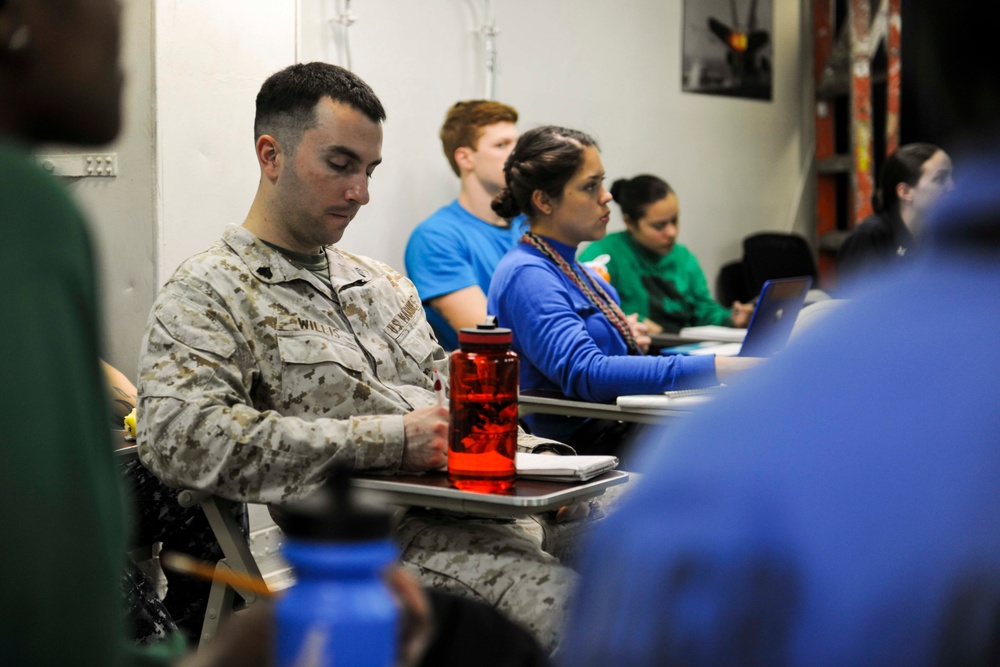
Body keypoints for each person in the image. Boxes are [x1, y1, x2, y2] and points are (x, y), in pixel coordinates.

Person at [561, 2, 1000, 662]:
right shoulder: (579, 265)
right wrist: (706, 360)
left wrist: (727, 323)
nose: (673, 236)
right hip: (645, 389)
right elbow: (594, 367)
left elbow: (698, 304)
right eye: (592, 188)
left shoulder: (713, 477)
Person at [137, 63, 578, 653]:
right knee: (581, 613)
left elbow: (453, 395)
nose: (361, 192)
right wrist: (391, 439)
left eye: (369, 171)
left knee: (687, 551)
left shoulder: (382, 284)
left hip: (506, 502)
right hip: (390, 543)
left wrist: (555, 467)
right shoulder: (211, 289)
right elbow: (177, 438)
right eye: (340, 165)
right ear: (271, 155)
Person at [0, 0, 187, 663]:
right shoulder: (25, 209)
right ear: (15, 22)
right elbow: (49, 607)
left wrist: (139, 407)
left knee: (182, 485)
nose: (124, 48)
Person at [487, 126, 758, 453]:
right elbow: (585, 372)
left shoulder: (576, 269)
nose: (606, 196)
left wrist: (622, 334)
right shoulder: (528, 273)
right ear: (544, 200)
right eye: (590, 186)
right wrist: (718, 367)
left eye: (601, 182)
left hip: (622, 422)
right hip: (587, 443)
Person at [405, 100, 525, 349]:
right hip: (505, 383)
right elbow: (492, 340)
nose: (518, 155)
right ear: (465, 158)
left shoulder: (530, 224)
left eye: (518, 144)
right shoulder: (436, 237)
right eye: (502, 145)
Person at [579, 174, 753, 334]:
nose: (671, 232)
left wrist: (731, 319)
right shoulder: (604, 256)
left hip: (684, 352)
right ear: (629, 222)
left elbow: (704, 311)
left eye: (674, 220)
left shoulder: (684, 258)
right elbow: (588, 310)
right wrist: (631, 322)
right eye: (659, 226)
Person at [837, 142, 954, 289]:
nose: (952, 187)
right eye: (940, 179)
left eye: (951, 177)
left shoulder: (941, 237)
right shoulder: (870, 238)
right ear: (905, 192)